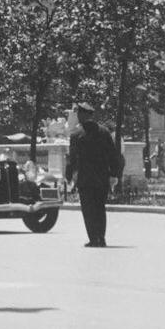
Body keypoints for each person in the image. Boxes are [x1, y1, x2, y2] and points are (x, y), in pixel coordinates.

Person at [65, 100, 125, 248]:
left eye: (79, 113)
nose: (78, 116)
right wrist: (114, 174)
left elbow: (72, 159)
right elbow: (113, 155)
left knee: (88, 209)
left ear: (85, 115)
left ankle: (93, 238)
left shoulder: (76, 134)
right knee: (100, 208)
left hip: (85, 179)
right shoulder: (104, 132)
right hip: (101, 178)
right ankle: (101, 238)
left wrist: (69, 175)